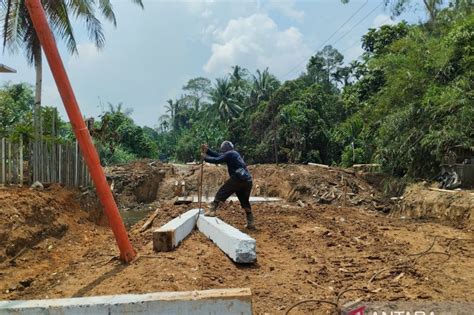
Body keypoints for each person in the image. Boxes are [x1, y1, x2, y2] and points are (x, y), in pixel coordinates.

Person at [201, 141, 255, 229]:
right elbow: (219, 156)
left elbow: (217, 159)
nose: (222, 152)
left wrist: (205, 158)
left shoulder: (230, 153)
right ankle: (251, 222)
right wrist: (208, 151)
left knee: (222, 192)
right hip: (247, 180)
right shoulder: (234, 154)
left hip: (238, 178)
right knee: (244, 201)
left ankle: (212, 210)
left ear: (224, 149)